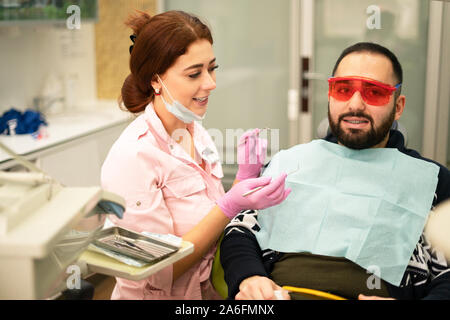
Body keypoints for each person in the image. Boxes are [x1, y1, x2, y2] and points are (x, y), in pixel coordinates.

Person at [220, 42, 450, 300]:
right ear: (330, 95)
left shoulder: (432, 181)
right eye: (343, 90)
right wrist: (249, 277)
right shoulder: (292, 162)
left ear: (398, 105)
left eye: (374, 92)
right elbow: (240, 230)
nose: (355, 104)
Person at [100, 10, 291, 300]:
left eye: (212, 68)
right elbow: (157, 270)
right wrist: (229, 205)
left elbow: (205, 215)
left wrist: (242, 180)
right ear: (155, 81)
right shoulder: (133, 157)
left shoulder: (195, 130)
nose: (211, 83)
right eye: (194, 73)